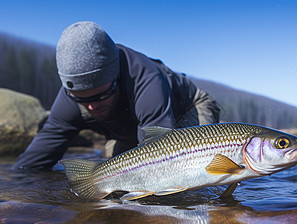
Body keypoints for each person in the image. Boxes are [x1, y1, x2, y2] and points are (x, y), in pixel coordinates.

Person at [13, 21, 220, 170]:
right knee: (110, 169)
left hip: (188, 107)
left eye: (101, 95)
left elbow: (161, 154)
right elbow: (34, 161)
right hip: (131, 121)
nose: (91, 107)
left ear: (115, 78)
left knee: (189, 168)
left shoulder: (146, 79)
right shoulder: (68, 98)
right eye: (81, 99)